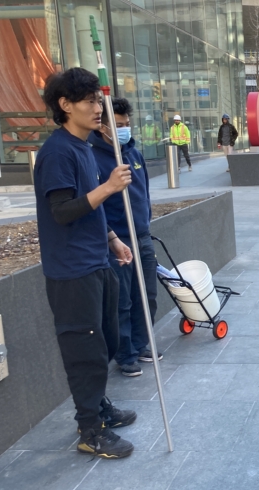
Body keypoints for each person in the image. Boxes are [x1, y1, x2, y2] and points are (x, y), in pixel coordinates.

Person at [34, 67, 137, 459]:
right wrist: (110, 187)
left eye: (99, 100)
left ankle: (99, 406)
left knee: (106, 340)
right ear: (65, 105)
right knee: (85, 351)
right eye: (90, 101)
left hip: (96, 261)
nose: (99, 108)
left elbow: (88, 207)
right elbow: (61, 212)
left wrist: (112, 240)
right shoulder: (57, 152)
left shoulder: (84, 146)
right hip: (71, 271)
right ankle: (89, 430)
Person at [89, 97, 161, 378]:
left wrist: (145, 223)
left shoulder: (134, 154)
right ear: (103, 127)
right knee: (123, 300)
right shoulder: (93, 158)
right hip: (116, 240)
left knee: (147, 295)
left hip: (141, 235)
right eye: (118, 125)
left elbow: (144, 193)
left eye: (127, 125)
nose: (124, 130)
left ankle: (143, 344)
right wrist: (111, 237)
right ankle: (126, 353)